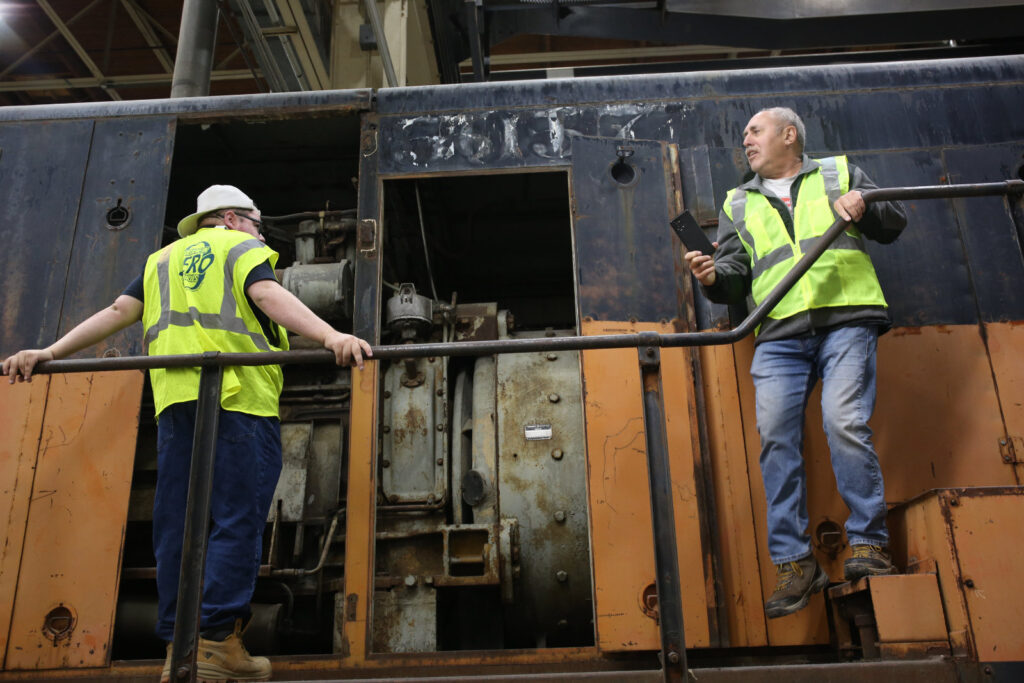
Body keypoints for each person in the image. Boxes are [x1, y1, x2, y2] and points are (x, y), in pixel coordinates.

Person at [3, 185, 373, 681]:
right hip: (239, 400)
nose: (261, 233)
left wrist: (50, 352)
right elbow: (266, 293)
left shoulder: (161, 260)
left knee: (179, 525)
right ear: (230, 218)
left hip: (177, 407)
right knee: (234, 519)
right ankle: (217, 642)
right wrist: (332, 336)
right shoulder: (240, 247)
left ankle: (180, 642)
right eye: (257, 223)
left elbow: (116, 313)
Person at [684, 108, 907, 619]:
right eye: (744, 135)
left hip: (846, 319)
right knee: (775, 438)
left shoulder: (837, 172)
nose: (746, 141)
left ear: (790, 135)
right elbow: (738, 273)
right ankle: (794, 563)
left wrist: (864, 204)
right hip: (780, 335)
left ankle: (869, 545)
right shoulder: (738, 202)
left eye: (754, 132)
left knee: (844, 421)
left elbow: (894, 222)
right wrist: (714, 279)